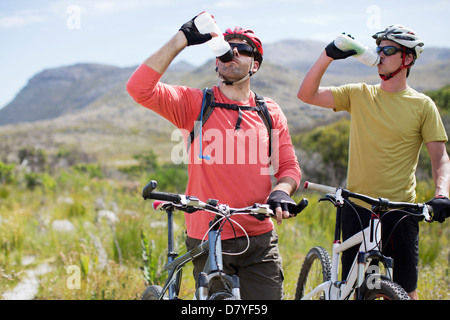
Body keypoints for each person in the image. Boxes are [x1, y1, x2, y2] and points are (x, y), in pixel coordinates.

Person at [127, 14, 301, 299]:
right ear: (216, 61)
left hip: (258, 236)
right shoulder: (195, 103)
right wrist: (182, 38)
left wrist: (282, 191)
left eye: (241, 50)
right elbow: (138, 88)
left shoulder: (269, 111)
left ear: (254, 65)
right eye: (225, 48)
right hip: (209, 235)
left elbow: (289, 166)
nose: (231, 53)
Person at [297, 25, 450, 300]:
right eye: (378, 49)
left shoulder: (423, 105)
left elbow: (440, 159)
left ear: (408, 59)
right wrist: (328, 54)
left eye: (388, 50)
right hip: (358, 207)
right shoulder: (360, 94)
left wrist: (441, 195)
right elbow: (306, 94)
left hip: (401, 210)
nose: (380, 54)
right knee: (353, 290)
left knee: (406, 292)